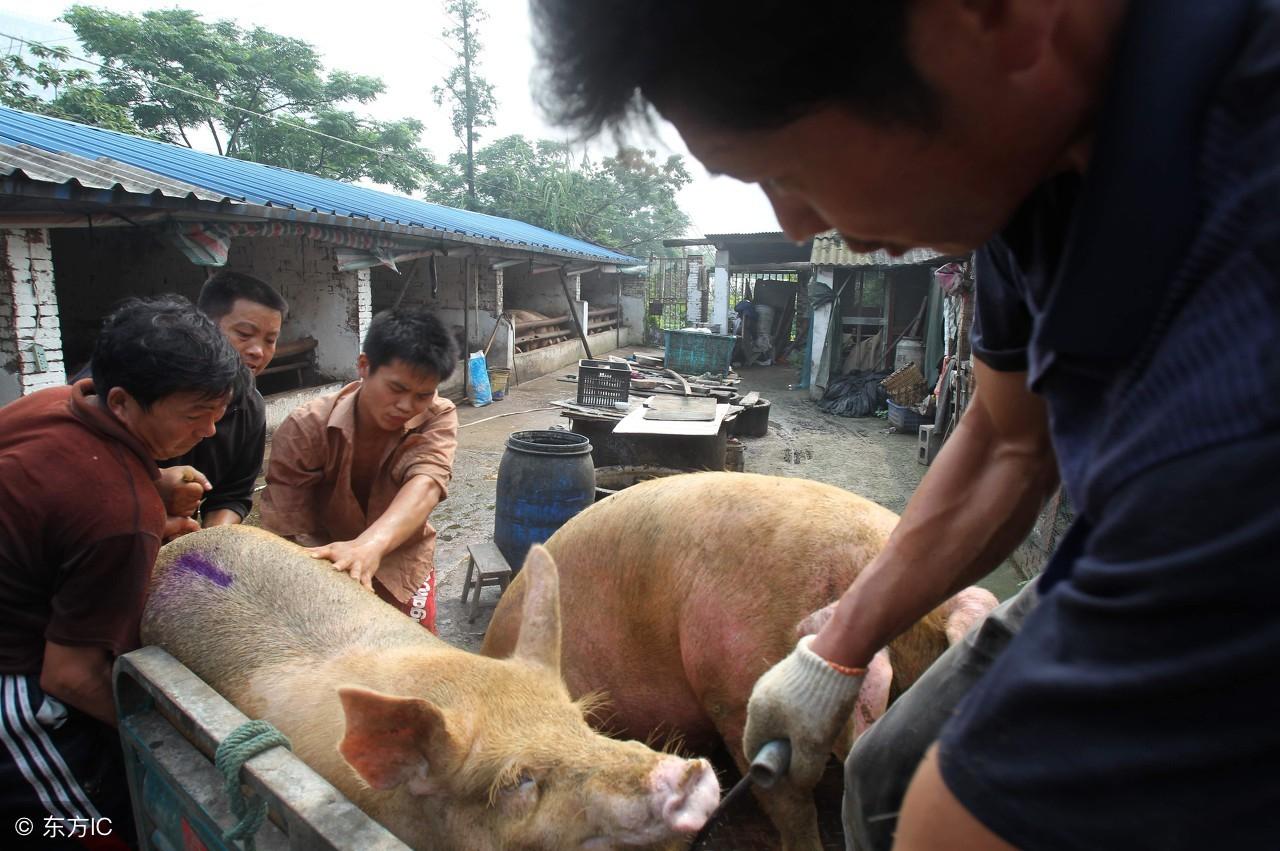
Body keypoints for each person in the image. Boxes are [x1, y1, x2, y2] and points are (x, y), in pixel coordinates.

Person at [529, 2, 1279, 849]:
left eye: (788, 167)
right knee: (885, 774)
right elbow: (1007, 439)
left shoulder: (1234, 354)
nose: (795, 225)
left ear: (993, 18)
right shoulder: (1020, 169)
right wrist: (837, 647)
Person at [0, 296, 241, 845]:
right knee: (95, 827)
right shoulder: (119, 513)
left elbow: (51, 505)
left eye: (217, 410)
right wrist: (179, 742)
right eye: (193, 414)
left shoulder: (50, 404)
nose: (209, 431)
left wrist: (152, 498)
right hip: (15, 686)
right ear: (123, 402)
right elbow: (70, 675)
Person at [260, 307, 459, 633]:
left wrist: (369, 546)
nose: (407, 406)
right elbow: (288, 526)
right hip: (323, 564)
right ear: (364, 366)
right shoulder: (306, 427)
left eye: (423, 395)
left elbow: (428, 480)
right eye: (396, 389)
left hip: (403, 562)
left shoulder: (438, 415)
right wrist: (334, 572)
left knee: (412, 661)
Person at [74, 271, 288, 538]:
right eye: (244, 334)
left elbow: (233, 493)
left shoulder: (250, 407)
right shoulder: (122, 389)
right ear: (204, 327)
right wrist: (151, 485)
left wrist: (209, 541)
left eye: (270, 340)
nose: (258, 351)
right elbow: (76, 502)